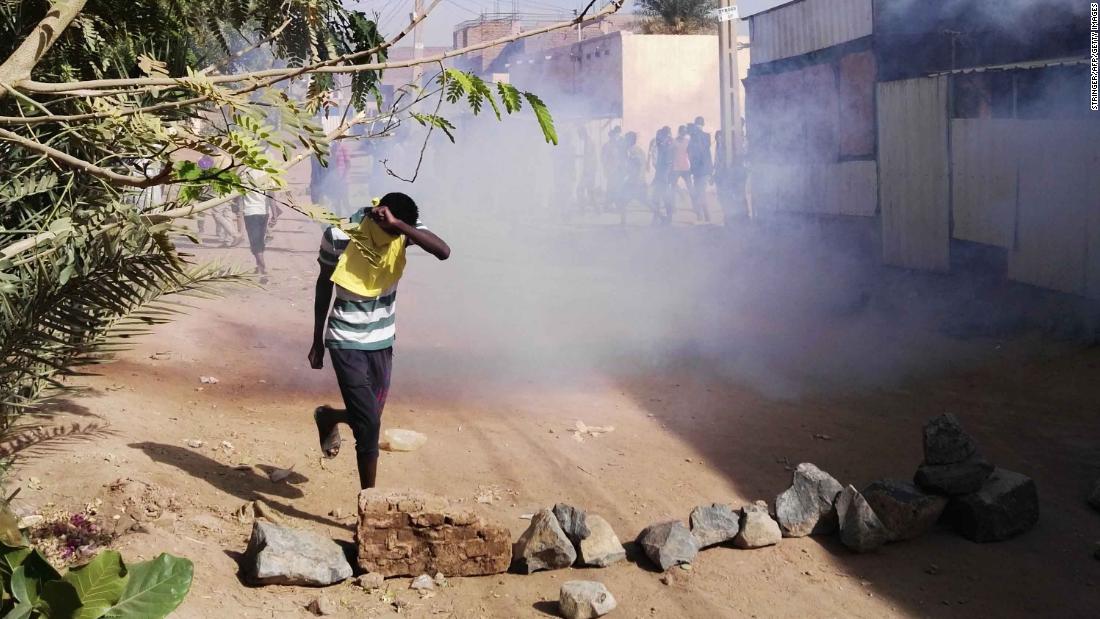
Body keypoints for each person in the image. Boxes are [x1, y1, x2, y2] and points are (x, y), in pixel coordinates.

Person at [309, 192, 451, 490]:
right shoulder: (338, 235)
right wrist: (317, 339)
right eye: (393, 227)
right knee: (369, 426)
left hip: (382, 340)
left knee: (369, 416)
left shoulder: (402, 229)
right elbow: (323, 285)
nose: (398, 235)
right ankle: (369, 502)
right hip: (345, 339)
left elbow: (443, 251)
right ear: (378, 214)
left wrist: (399, 225)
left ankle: (328, 417)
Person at [240, 171, 274, 283]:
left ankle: (263, 271)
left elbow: (238, 193)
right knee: (259, 241)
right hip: (264, 212)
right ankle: (259, 266)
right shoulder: (266, 171)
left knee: (255, 243)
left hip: (250, 212)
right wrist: (274, 213)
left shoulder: (244, 173)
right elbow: (271, 194)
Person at [688, 117, 713, 223]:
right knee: (699, 194)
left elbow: (700, 150)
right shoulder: (698, 137)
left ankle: (703, 217)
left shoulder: (702, 136)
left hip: (703, 170)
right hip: (699, 170)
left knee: (700, 193)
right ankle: (704, 217)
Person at [649, 126, 675, 223]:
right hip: (661, 176)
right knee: (658, 198)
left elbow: (667, 165)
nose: (658, 140)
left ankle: (667, 218)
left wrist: (662, 178)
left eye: (659, 137)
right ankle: (660, 218)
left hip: (664, 178)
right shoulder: (663, 147)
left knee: (663, 197)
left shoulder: (667, 148)